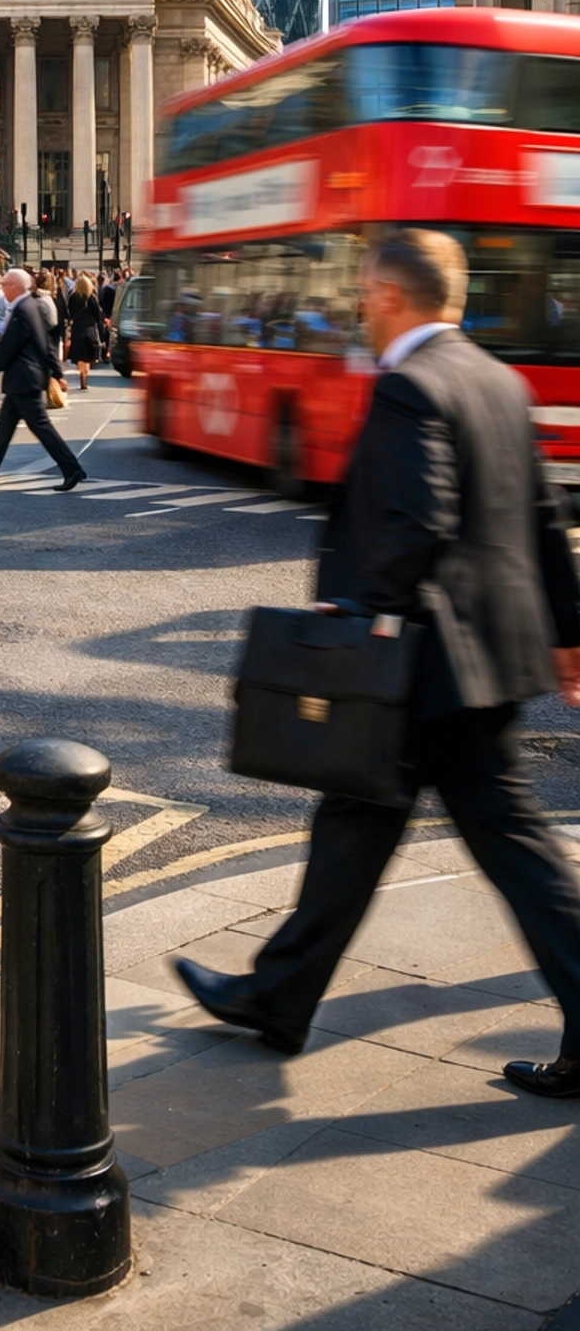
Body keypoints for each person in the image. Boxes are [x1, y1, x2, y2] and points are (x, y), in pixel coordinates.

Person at [175, 229, 580, 1089]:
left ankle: (276, 998)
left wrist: (360, 611)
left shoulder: (409, 387)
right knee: (364, 831)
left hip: (426, 672)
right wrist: (569, 635)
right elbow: (544, 521)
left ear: (393, 297)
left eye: (365, 292)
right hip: (489, 663)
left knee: (503, 853)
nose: (360, 305)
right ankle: (277, 999)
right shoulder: (498, 381)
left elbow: (415, 522)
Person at [0, 268, 87, 492]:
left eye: (5, 284)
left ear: (15, 287)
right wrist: (57, 373)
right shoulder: (28, 305)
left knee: (41, 428)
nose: (2, 287)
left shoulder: (22, 310)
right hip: (23, 379)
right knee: (3, 427)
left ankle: (72, 469)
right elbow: (44, 344)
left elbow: (10, 346)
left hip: (24, 380)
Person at [65, 272, 108, 393]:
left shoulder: (73, 297)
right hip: (90, 329)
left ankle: (81, 374)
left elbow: (71, 313)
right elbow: (98, 316)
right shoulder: (92, 297)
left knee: (80, 356)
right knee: (88, 357)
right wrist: (101, 332)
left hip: (77, 329)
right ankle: (85, 376)